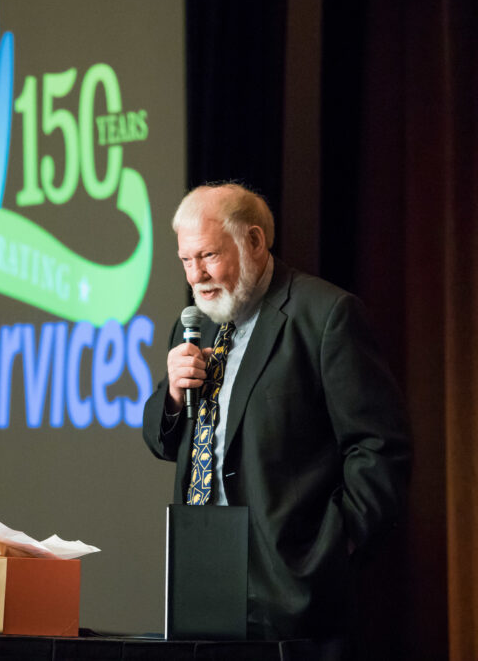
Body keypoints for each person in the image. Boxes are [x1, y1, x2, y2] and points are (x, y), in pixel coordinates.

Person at [142, 183, 410, 640]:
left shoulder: (326, 315)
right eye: (186, 261)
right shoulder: (194, 324)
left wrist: (332, 548)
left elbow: (380, 448)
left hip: (290, 579)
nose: (195, 276)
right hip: (202, 574)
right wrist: (171, 395)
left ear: (253, 241)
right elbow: (163, 442)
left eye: (207, 255)